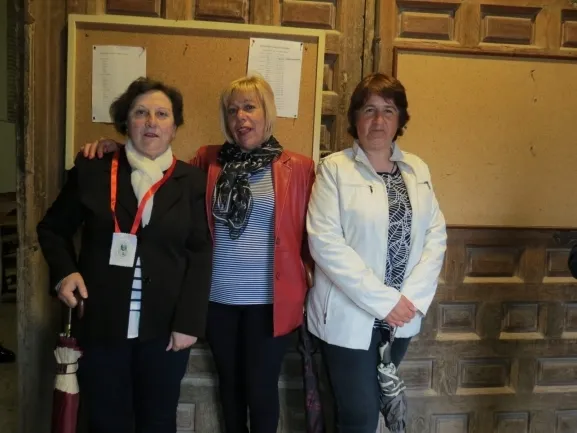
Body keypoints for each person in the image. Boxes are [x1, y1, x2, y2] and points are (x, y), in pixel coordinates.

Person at [81, 74, 316, 433]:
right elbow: (155, 163)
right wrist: (116, 149)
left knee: (262, 390)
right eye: (232, 110)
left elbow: (312, 236)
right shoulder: (208, 161)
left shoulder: (298, 167)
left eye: (249, 107)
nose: (241, 117)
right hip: (217, 301)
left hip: (270, 303)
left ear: (267, 112)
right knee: (230, 389)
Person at [36, 77, 212, 433]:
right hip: (102, 325)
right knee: (106, 421)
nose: (151, 122)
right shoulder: (93, 169)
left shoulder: (192, 181)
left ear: (174, 126)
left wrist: (189, 323)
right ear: (125, 122)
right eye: (141, 113)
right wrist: (65, 273)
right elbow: (52, 229)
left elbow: (200, 252)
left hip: (165, 331)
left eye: (162, 114)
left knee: (158, 422)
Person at [305, 72, 447, 433]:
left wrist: (410, 299)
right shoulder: (334, 169)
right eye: (369, 110)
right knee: (360, 415)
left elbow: (435, 236)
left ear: (400, 119)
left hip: (400, 318)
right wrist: (385, 301)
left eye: (388, 110)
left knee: (379, 403)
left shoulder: (418, 169)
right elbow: (325, 243)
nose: (379, 120)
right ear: (355, 117)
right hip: (349, 316)